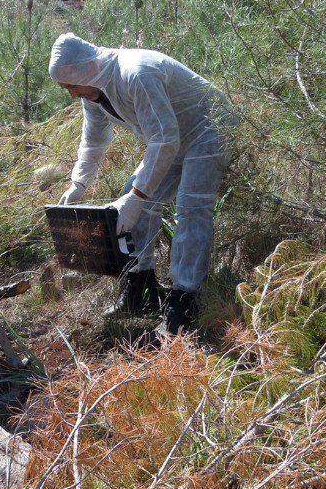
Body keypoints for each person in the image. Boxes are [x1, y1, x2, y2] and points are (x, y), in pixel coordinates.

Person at [49, 32, 236, 338]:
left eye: (71, 85)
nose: (71, 93)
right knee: (130, 200)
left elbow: (164, 138)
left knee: (191, 210)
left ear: (86, 70)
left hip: (209, 130)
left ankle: (184, 304)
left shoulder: (135, 72)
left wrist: (139, 197)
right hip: (170, 138)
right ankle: (141, 289)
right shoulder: (93, 90)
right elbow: (95, 140)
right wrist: (78, 184)